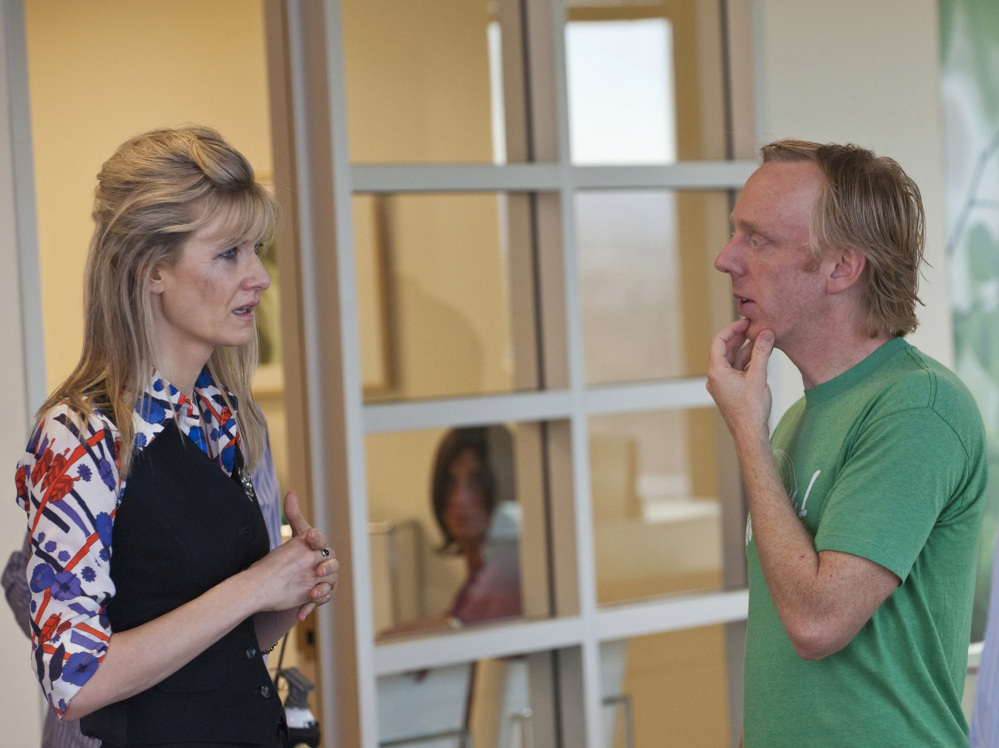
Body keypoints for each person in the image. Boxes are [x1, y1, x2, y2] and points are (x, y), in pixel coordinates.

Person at [15, 125, 339, 747]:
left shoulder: (225, 415)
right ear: (152, 268)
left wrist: (292, 584)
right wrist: (254, 586)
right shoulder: (80, 436)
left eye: (255, 250)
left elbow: (222, 650)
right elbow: (74, 682)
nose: (259, 277)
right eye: (229, 254)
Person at [706, 139, 987, 746]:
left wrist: (748, 435)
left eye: (759, 240)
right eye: (736, 233)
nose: (726, 259)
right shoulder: (798, 418)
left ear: (841, 268)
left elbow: (817, 623)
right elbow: (786, 664)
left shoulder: (918, 407)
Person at [3, 429, 285, 748]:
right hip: (96, 734)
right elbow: (27, 585)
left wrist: (291, 584)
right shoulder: (92, 434)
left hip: (226, 721)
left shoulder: (240, 422)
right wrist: (98, 638)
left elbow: (260, 595)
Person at [382, 426, 521, 635]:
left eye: (476, 481)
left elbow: (461, 630)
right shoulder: (484, 565)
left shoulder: (507, 565)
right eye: (450, 482)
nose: (459, 499)